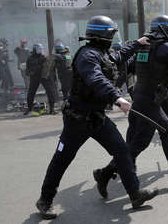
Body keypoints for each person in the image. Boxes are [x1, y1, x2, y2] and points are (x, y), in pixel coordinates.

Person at [35, 16, 158, 220]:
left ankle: (135, 194)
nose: (112, 37)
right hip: (77, 119)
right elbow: (96, 78)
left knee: (122, 151)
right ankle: (45, 201)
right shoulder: (87, 56)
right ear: (102, 35)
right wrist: (117, 97)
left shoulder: (102, 53)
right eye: (111, 34)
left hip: (97, 118)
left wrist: (137, 43)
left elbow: (117, 57)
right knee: (62, 159)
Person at [93, 15, 168, 199]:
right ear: (165, 30)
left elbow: (132, 67)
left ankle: (106, 173)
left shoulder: (144, 47)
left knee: (140, 141)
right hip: (151, 101)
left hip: (139, 98)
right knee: (167, 129)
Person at [24, 44, 56, 115]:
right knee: (31, 92)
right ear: (35, 49)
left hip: (43, 77)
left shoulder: (44, 58)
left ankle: (52, 109)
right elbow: (27, 70)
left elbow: (49, 68)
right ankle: (29, 109)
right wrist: (30, 72)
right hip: (34, 77)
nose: (41, 50)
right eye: (39, 49)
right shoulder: (30, 58)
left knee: (50, 91)